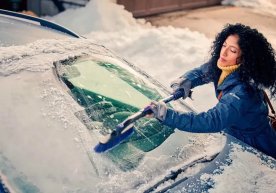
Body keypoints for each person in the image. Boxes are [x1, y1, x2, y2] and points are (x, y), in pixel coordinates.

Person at [149, 23, 276, 159]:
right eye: (224, 45)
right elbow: (203, 72)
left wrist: (168, 116)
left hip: (256, 147)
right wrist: (186, 80)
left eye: (233, 50)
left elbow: (213, 121)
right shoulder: (226, 66)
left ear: (246, 58)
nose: (224, 53)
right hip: (234, 134)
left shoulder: (242, 92)